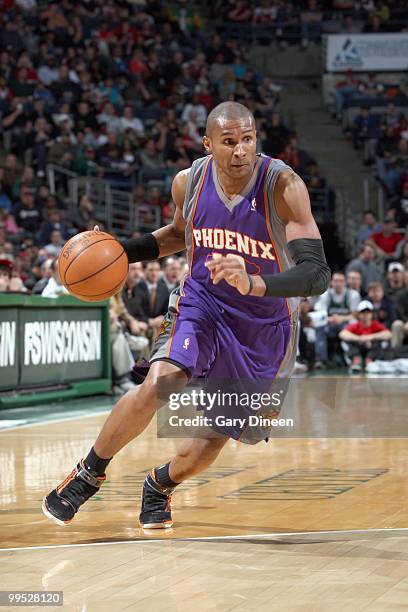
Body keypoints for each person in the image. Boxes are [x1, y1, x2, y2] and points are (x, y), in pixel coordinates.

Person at [42, 101, 330, 529]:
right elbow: (179, 235)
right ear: (208, 143)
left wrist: (256, 283)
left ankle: (160, 484)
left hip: (264, 325)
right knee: (163, 380)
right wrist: (123, 250)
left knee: (213, 439)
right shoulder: (189, 181)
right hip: (202, 303)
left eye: (248, 140)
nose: (240, 151)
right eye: (229, 142)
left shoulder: (283, 186)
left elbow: (317, 273)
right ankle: (88, 473)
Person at [313, 271, 361, 368]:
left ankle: (354, 358)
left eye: (341, 281)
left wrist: (341, 318)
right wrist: (332, 319)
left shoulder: (353, 294)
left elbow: (356, 315)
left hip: (345, 324)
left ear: (345, 282)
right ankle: (320, 361)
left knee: (353, 324)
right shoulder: (325, 294)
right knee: (320, 327)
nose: (338, 283)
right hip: (329, 325)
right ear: (331, 282)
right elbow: (319, 314)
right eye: (336, 281)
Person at [339, 300, 391, 373]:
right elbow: (342, 334)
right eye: (363, 312)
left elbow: (388, 334)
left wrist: (370, 337)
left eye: (368, 312)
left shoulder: (376, 324)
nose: (366, 315)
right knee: (347, 341)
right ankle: (356, 361)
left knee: (380, 341)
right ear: (359, 314)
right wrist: (359, 339)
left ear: (372, 314)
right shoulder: (356, 325)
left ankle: (370, 361)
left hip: (372, 349)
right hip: (358, 349)